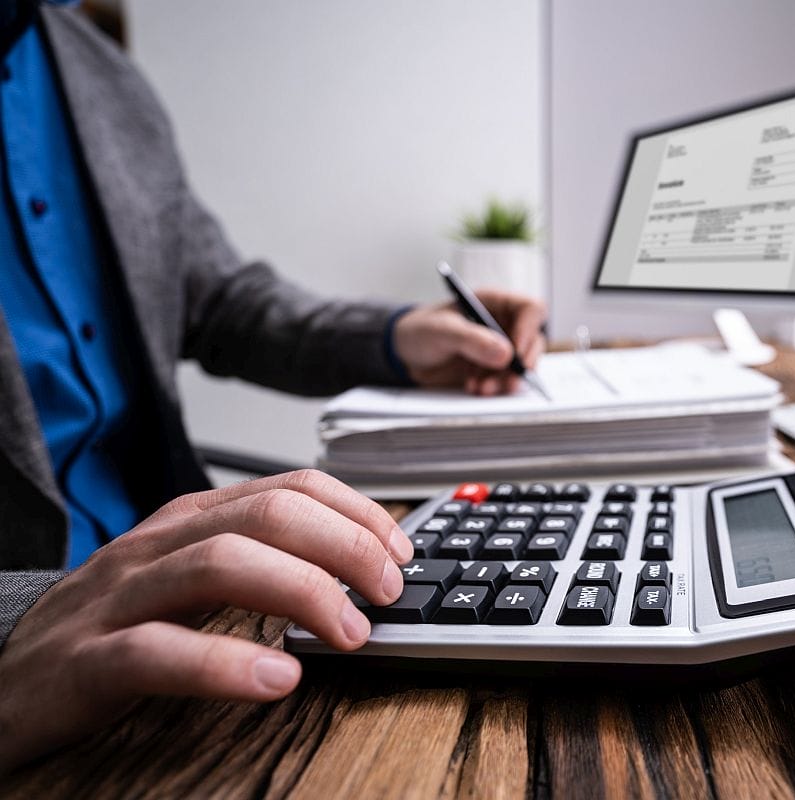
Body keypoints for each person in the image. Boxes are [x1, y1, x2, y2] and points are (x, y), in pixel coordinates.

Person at [0, 2, 546, 771]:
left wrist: (396, 339)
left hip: (199, 595)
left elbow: (219, 300)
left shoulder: (103, 75)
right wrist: (12, 625)